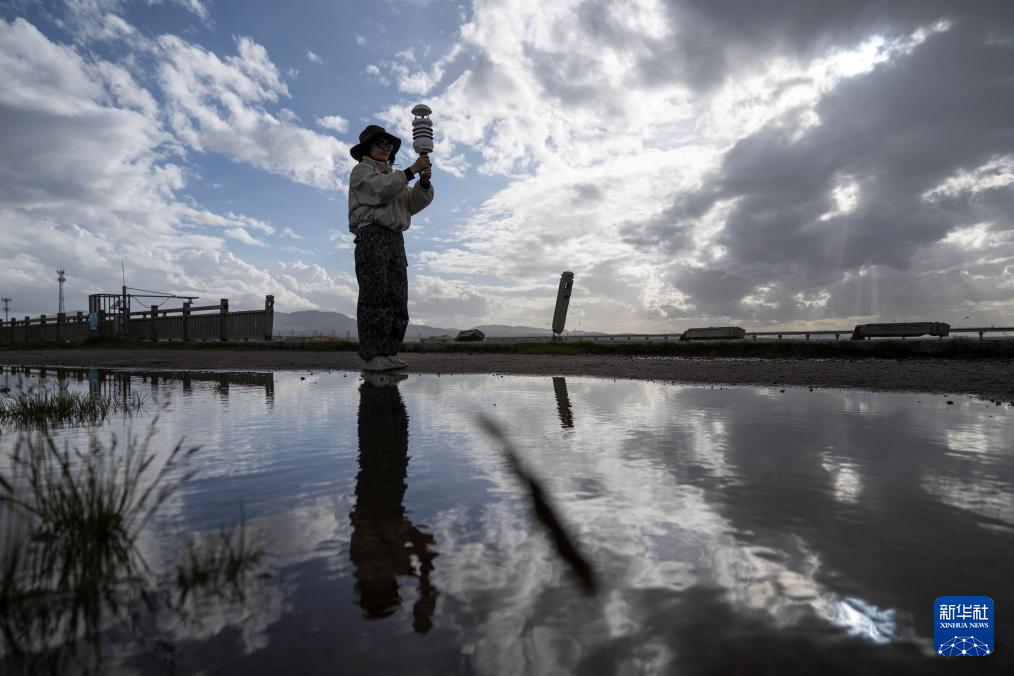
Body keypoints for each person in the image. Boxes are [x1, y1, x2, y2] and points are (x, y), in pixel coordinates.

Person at [347, 125, 434, 371]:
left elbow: (411, 204)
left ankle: (389, 352)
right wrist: (411, 170)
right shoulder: (361, 172)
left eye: (389, 145)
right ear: (367, 148)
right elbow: (380, 190)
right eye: (380, 144)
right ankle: (373, 356)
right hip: (371, 235)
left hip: (396, 239)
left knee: (397, 298)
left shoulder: (396, 178)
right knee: (375, 297)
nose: (385, 148)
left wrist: (423, 182)